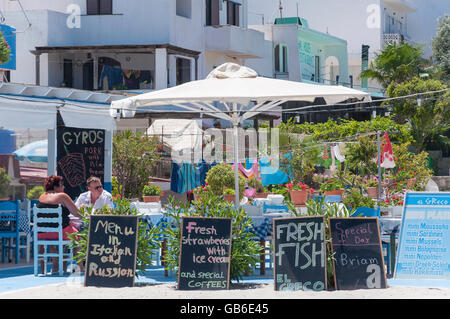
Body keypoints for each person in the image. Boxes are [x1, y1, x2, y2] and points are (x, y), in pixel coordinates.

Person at [37, 175, 82, 274]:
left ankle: (55, 266)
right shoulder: (62, 196)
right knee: (79, 236)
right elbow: (77, 214)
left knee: (54, 238)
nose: (64, 188)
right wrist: (82, 208)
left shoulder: (41, 196)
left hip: (41, 233)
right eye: (62, 185)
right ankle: (81, 268)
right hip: (60, 232)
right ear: (56, 187)